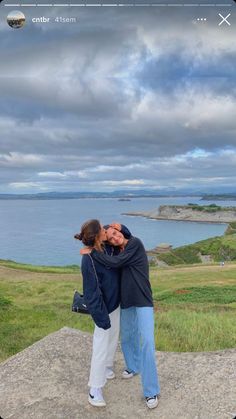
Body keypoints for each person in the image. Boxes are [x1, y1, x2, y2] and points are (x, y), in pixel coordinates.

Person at [81, 223, 160, 410]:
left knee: (147, 342)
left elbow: (121, 246)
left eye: (116, 233)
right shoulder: (112, 249)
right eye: (109, 235)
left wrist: (93, 250)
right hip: (124, 303)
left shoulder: (134, 244)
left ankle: (151, 391)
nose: (114, 238)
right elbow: (114, 242)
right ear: (103, 238)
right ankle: (133, 367)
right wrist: (97, 247)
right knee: (127, 338)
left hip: (142, 300)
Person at [74, 219, 131, 408]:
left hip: (115, 304)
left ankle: (107, 366)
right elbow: (91, 293)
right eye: (103, 229)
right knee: (100, 347)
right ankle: (94, 390)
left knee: (113, 339)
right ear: (98, 235)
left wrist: (121, 227)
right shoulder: (88, 259)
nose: (107, 230)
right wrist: (101, 319)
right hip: (103, 311)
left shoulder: (106, 246)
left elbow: (127, 237)